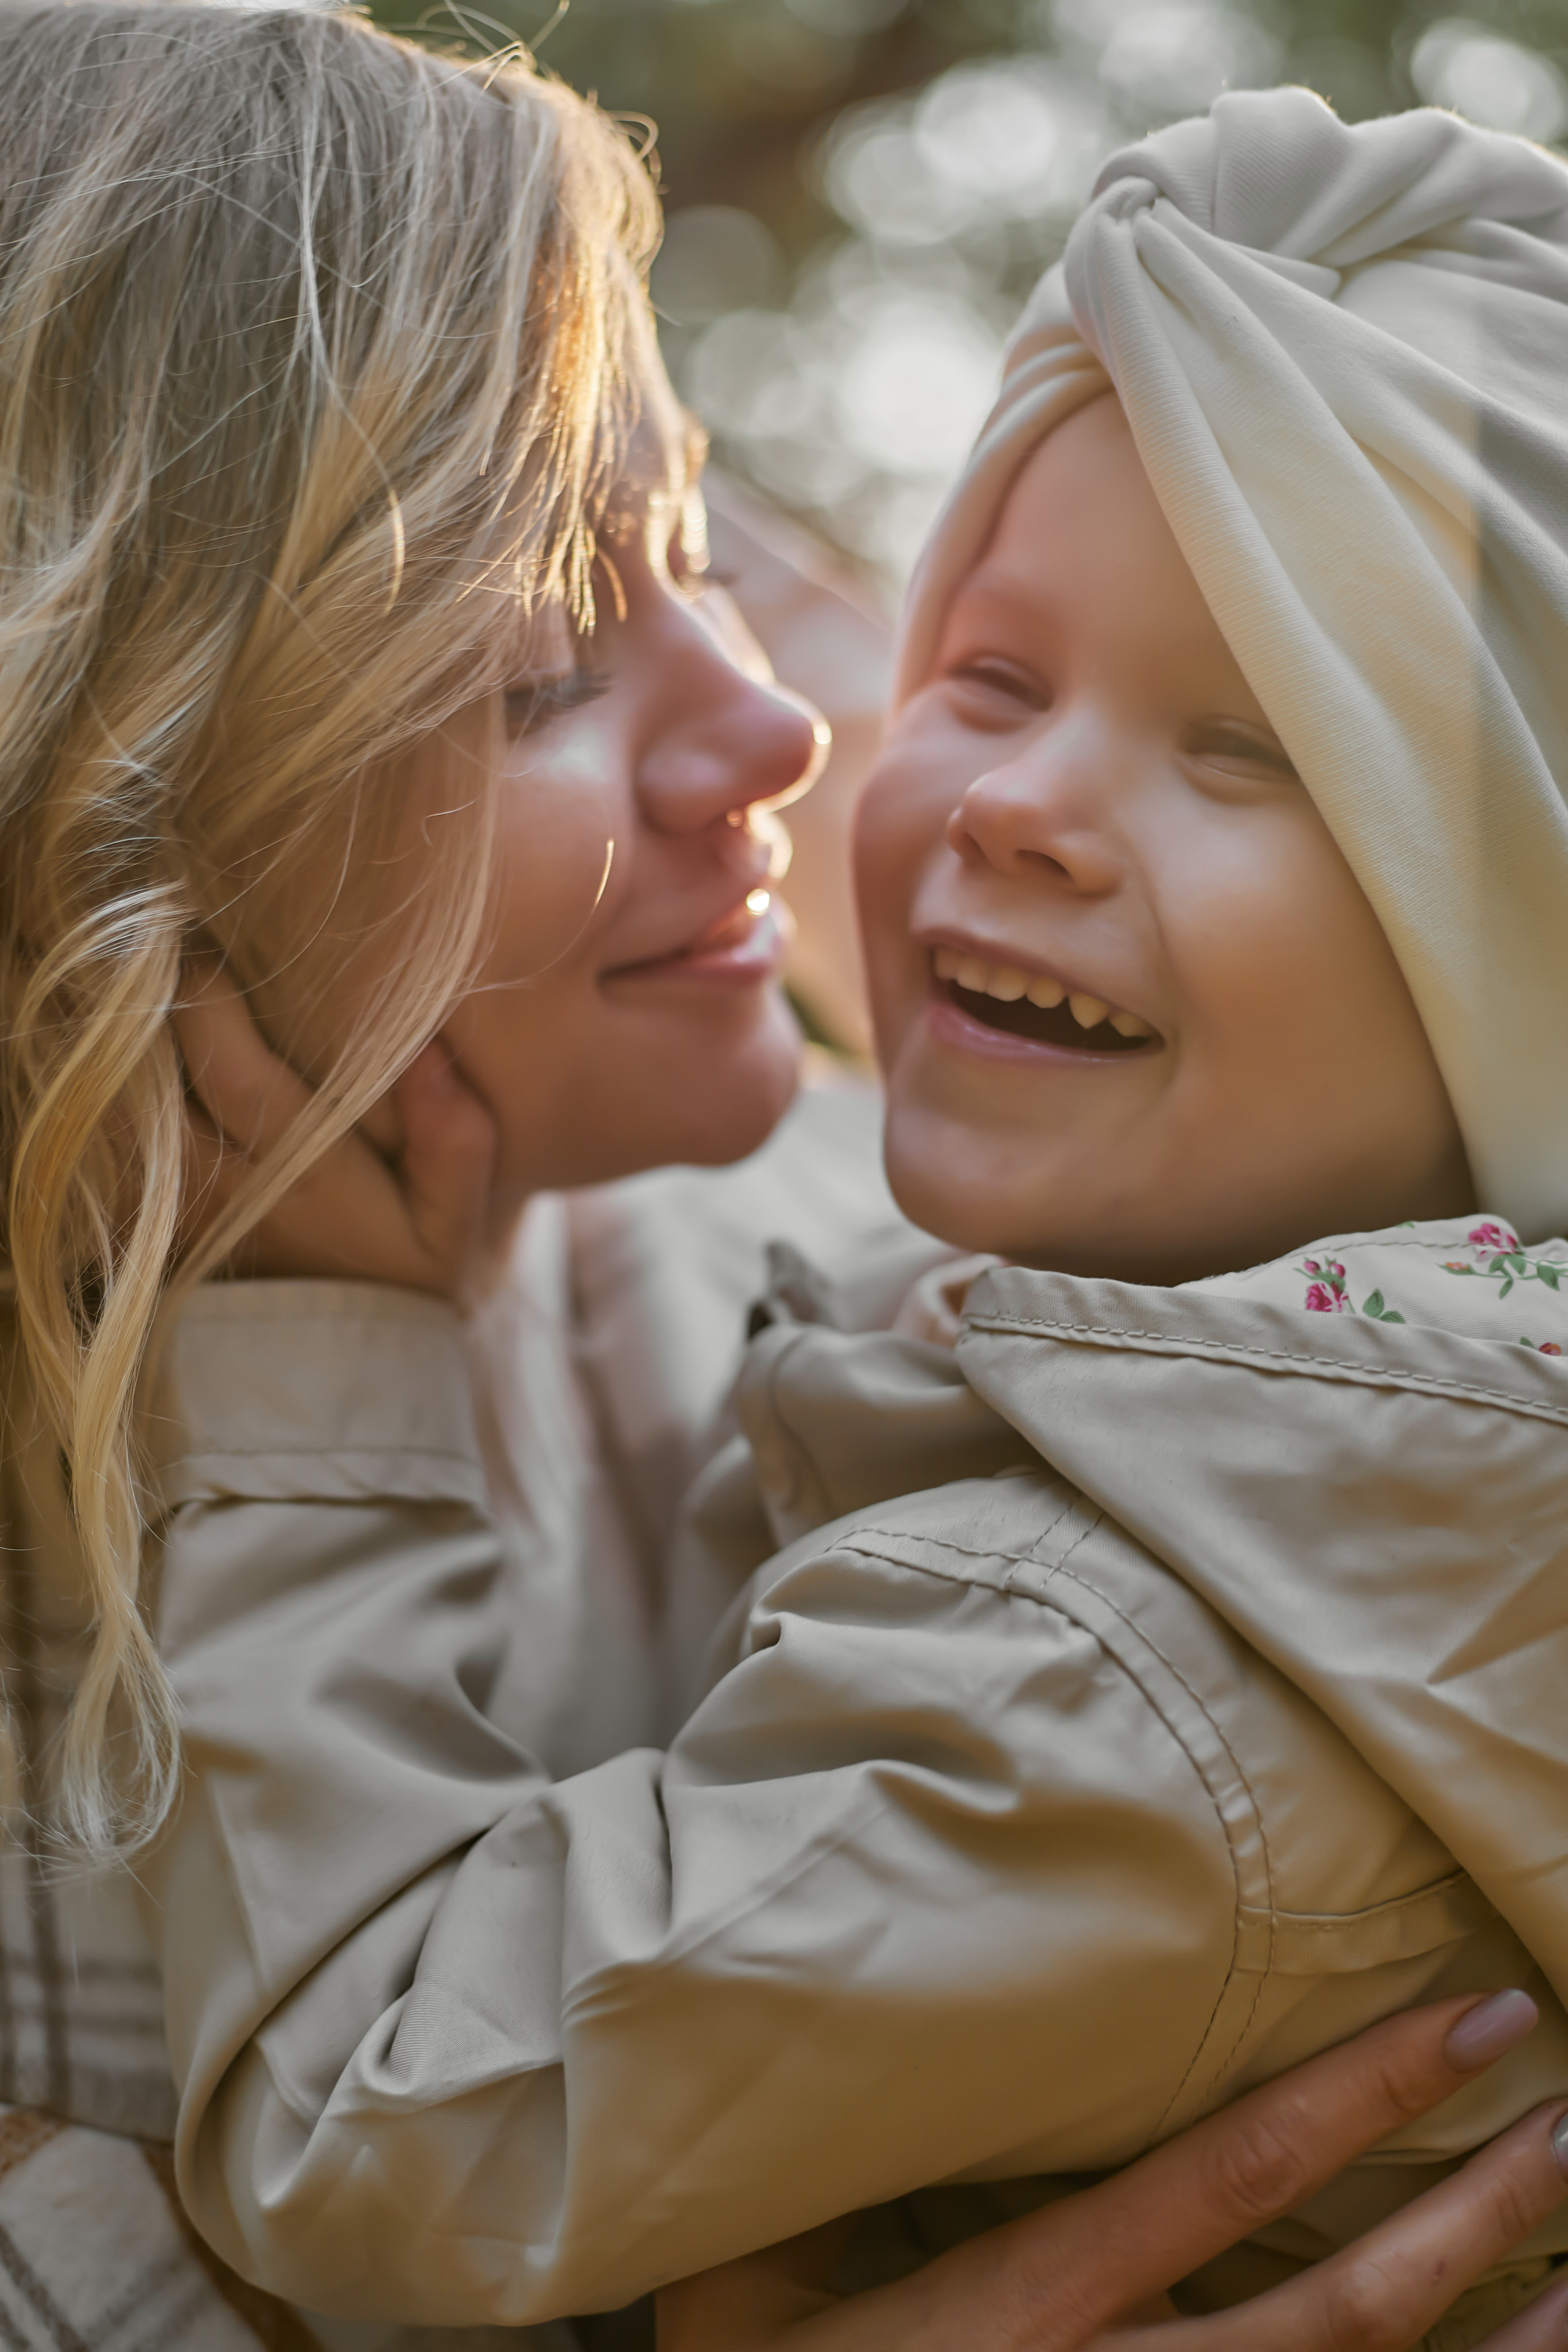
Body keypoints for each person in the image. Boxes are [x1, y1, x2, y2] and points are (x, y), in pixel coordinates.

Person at [0, 12, 1513, 2348]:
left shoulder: (952, 1329)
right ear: (93, 819)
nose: (798, 729)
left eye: (697, 539)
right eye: (526, 668)